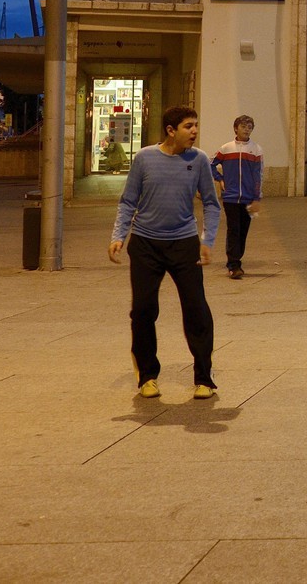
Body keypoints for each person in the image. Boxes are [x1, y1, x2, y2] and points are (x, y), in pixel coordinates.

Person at [108, 105, 221, 401]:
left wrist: (207, 240)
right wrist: (119, 236)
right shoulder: (145, 158)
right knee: (143, 310)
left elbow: (211, 202)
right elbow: (128, 200)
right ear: (171, 130)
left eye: (195, 125)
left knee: (197, 309)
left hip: (184, 244)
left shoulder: (199, 161)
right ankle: (147, 376)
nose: (194, 131)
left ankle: (204, 378)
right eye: (188, 126)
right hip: (145, 244)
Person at [212, 114, 264, 280]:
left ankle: (237, 258)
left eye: (249, 127)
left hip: (248, 198)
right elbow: (211, 164)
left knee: (243, 230)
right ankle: (234, 265)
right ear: (236, 128)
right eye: (243, 126)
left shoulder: (256, 150)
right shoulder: (226, 148)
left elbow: (258, 175)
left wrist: (257, 198)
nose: (246, 130)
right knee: (233, 229)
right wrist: (220, 180)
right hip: (231, 197)